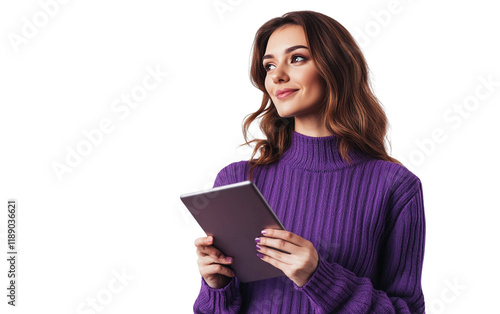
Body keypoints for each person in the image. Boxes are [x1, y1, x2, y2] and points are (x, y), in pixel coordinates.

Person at [193, 10, 426, 314]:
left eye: (297, 58)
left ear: (335, 67)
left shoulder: (394, 185)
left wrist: (319, 278)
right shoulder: (237, 179)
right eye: (269, 65)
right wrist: (217, 288)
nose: (277, 75)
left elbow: (406, 309)